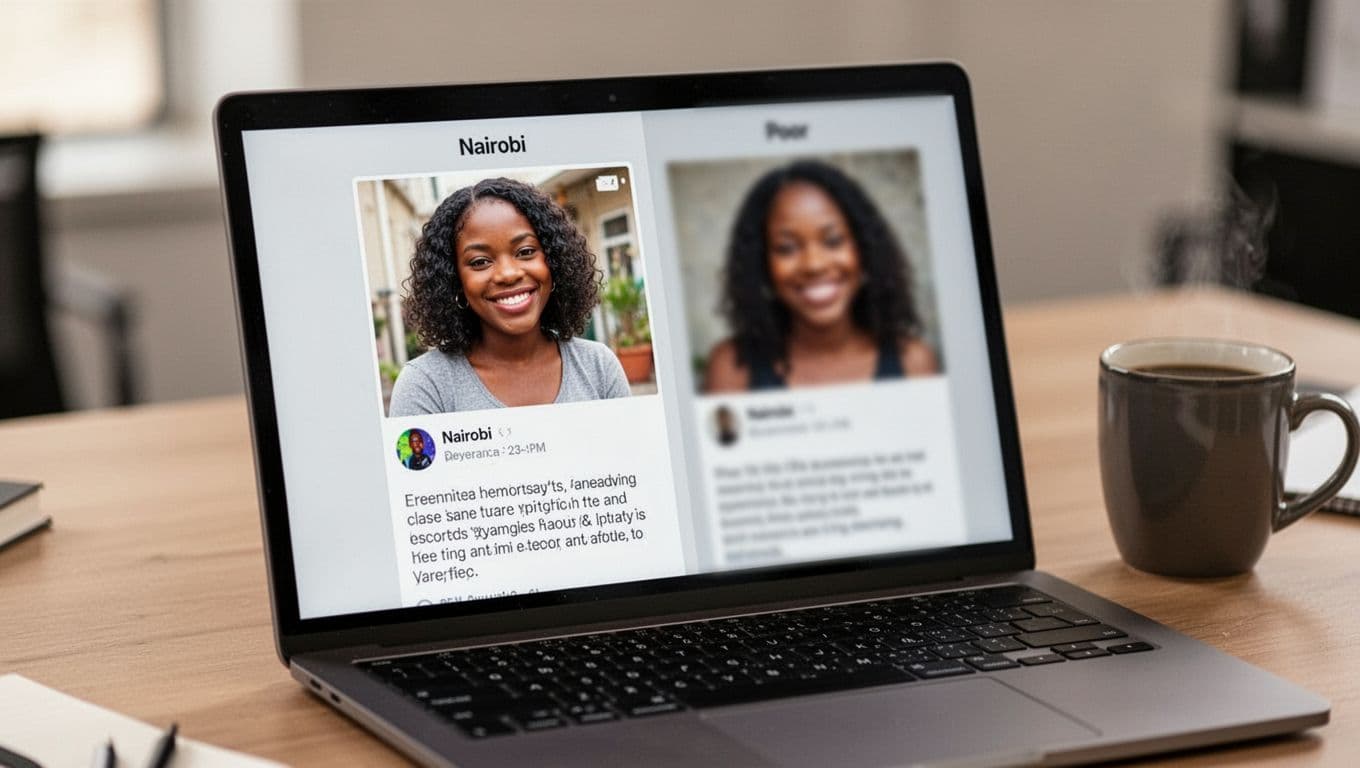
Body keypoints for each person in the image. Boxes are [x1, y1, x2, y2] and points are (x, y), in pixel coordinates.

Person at [390, 177, 630, 415]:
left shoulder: (598, 367)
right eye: (480, 261)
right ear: (455, 280)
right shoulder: (426, 386)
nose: (508, 274)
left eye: (525, 252)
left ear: (554, 261)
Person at [703, 160, 939, 392]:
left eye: (833, 241)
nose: (814, 264)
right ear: (761, 263)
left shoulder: (914, 363)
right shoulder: (732, 369)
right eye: (786, 248)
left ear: (865, 249)